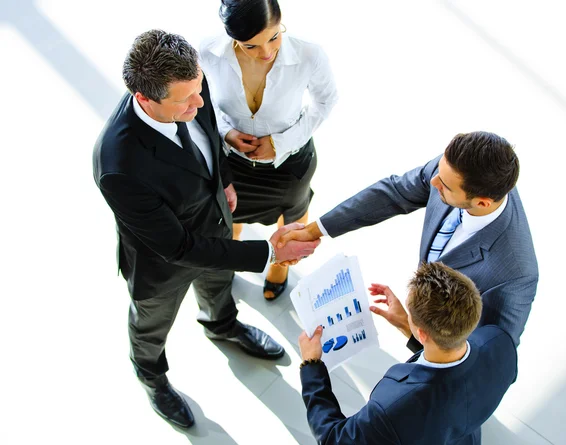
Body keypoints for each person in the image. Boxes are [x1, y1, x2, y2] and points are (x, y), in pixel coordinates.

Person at [92, 29, 320, 429]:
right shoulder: (117, 164)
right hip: (164, 261)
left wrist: (226, 179)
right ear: (145, 98)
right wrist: (268, 253)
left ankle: (221, 325)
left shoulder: (190, 84)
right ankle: (150, 374)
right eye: (186, 100)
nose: (200, 103)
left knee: (218, 285)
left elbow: (210, 135)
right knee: (151, 325)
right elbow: (177, 247)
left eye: (200, 89)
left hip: (215, 225)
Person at [281, 131, 538, 352]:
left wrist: (412, 330)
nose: (433, 182)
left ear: (482, 202)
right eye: (439, 170)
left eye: (445, 186)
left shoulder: (515, 275)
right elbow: (395, 192)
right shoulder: (456, 169)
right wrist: (315, 230)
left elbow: (489, 359)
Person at [198, 0, 338, 300]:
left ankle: (281, 265)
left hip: (289, 164)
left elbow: (325, 102)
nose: (266, 52)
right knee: (230, 216)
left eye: (274, 36)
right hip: (234, 161)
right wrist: (227, 133)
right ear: (232, 37)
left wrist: (280, 143)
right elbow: (200, 100)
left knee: (292, 215)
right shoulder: (208, 52)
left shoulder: (308, 54)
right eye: (251, 46)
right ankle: (231, 260)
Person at [299, 262, 518, 445]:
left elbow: (333, 439)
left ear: (422, 334)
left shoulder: (393, 408)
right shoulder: (499, 341)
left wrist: (311, 365)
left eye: (410, 314)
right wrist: (407, 324)